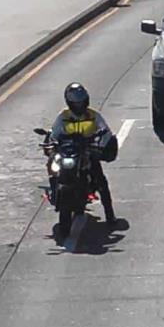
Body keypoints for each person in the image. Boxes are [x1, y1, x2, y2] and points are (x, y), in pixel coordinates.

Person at [51, 83, 120, 226]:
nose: (79, 106)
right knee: (54, 167)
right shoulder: (63, 116)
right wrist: (52, 143)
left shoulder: (93, 115)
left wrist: (99, 145)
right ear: (69, 103)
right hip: (68, 151)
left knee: (100, 180)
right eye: (75, 103)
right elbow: (55, 133)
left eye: (81, 102)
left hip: (87, 150)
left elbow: (105, 131)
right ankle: (55, 191)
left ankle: (110, 213)